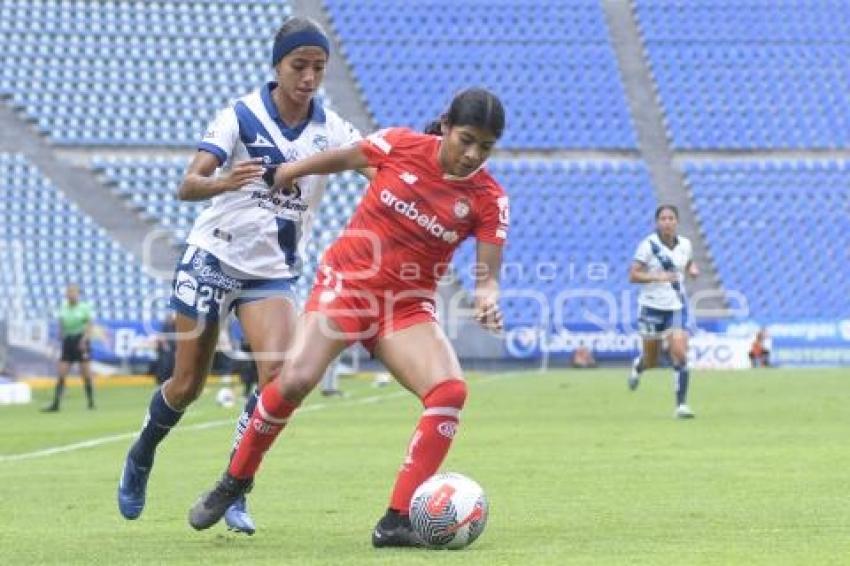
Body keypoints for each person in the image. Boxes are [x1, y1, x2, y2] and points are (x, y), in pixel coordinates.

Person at [187, 88, 508, 547]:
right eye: (466, 140)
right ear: (447, 127)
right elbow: (340, 159)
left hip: (406, 306)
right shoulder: (399, 144)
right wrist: (289, 171)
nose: (472, 155)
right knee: (294, 379)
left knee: (449, 391)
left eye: (485, 147)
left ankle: (397, 519)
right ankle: (235, 479)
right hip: (348, 286)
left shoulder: (489, 198)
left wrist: (486, 298)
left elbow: (487, 275)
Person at [116, 17, 367, 534]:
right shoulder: (240, 115)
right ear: (277, 64)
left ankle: (235, 486)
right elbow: (187, 185)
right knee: (187, 385)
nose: (309, 77)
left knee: (277, 383)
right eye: (299, 65)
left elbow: (381, 163)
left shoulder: (332, 128)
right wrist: (225, 180)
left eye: (318, 68)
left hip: (270, 274)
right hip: (212, 257)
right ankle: (141, 454)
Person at [628, 205, 699, 419]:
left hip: (676, 306)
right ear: (657, 222)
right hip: (651, 307)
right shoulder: (648, 246)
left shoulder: (685, 244)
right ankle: (639, 365)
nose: (667, 222)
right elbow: (633, 275)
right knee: (652, 359)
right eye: (663, 218)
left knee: (679, 352)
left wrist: (692, 270)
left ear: (677, 221)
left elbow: (687, 263)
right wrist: (657, 277)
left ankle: (681, 406)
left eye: (671, 218)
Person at [42, 284, 95, 411]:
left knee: (85, 373)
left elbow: (89, 325)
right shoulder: (63, 308)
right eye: (69, 292)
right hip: (68, 342)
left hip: (81, 341)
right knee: (62, 373)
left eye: (73, 292)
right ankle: (56, 403)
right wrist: (59, 338)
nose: (71, 294)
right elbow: (61, 325)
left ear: (78, 294)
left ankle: (91, 402)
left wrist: (85, 339)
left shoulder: (84, 308)